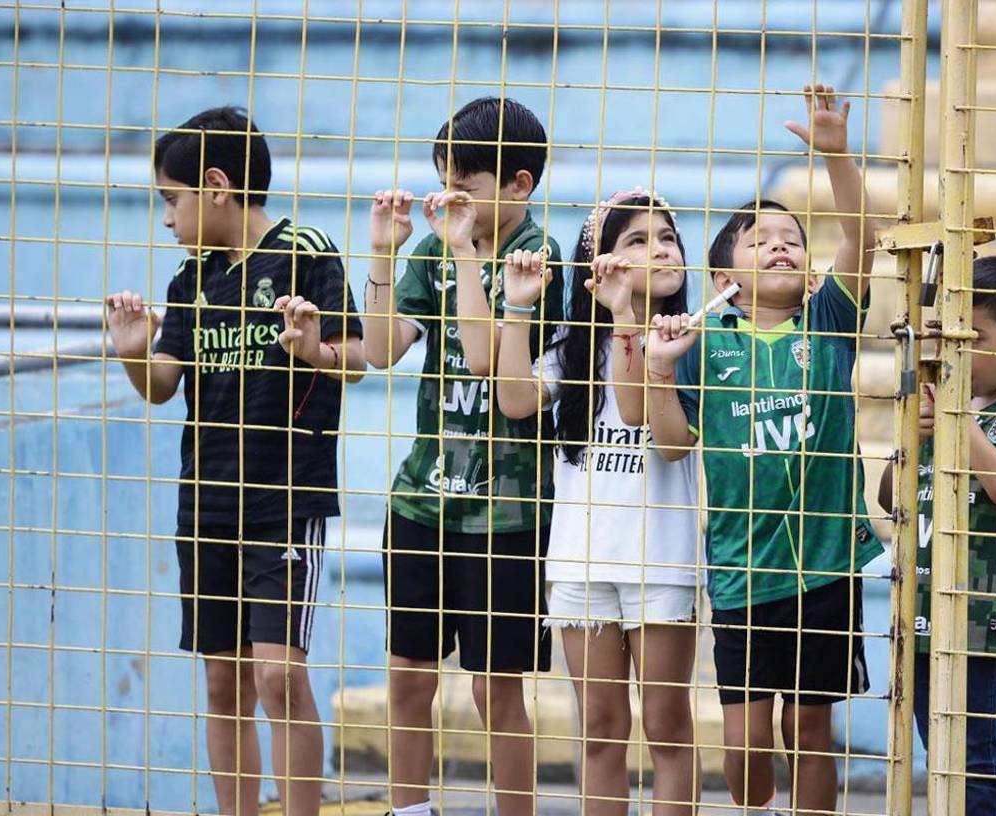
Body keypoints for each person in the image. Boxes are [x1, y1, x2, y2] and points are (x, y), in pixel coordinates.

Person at [616, 84, 882, 814]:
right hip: (740, 570)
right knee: (745, 744)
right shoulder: (707, 347)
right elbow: (670, 446)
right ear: (725, 278)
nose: (781, 245)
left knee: (809, 727)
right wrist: (663, 371)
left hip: (826, 564)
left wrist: (836, 156)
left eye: (792, 238)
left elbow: (861, 236)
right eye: (760, 239)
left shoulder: (828, 319)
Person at [105, 106, 364, 816]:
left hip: (284, 501)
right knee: (223, 682)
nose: (167, 218)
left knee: (277, 676)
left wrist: (313, 348)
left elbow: (358, 361)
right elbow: (162, 385)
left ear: (215, 186)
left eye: (171, 198)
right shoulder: (188, 281)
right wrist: (132, 351)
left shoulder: (305, 252)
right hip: (207, 503)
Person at [358, 96, 564, 816]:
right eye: (445, 178)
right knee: (408, 675)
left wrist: (467, 253)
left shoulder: (538, 254)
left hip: (506, 510)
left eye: (468, 184)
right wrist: (384, 253)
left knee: (493, 685)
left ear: (518, 186)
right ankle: (409, 809)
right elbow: (382, 348)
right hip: (423, 495)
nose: (452, 197)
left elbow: (483, 362)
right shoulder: (434, 246)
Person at [495, 190, 701, 815]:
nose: (659, 249)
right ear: (599, 264)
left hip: (660, 561)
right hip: (581, 563)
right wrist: (517, 308)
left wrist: (626, 320)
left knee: (666, 727)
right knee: (600, 731)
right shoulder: (571, 348)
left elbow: (654, 427)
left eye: (667, 237)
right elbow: (514, 401)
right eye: (637, 240)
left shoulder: (692, 340)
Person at [878, 256, 996, 815]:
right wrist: (913, 432)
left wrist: (960, 421)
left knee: (973, 755)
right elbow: (892, 495)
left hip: (983, 617)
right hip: (921, 606)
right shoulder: (942, 406)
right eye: (949, 335)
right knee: (933, 751)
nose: (956, 352)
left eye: (973, 338)